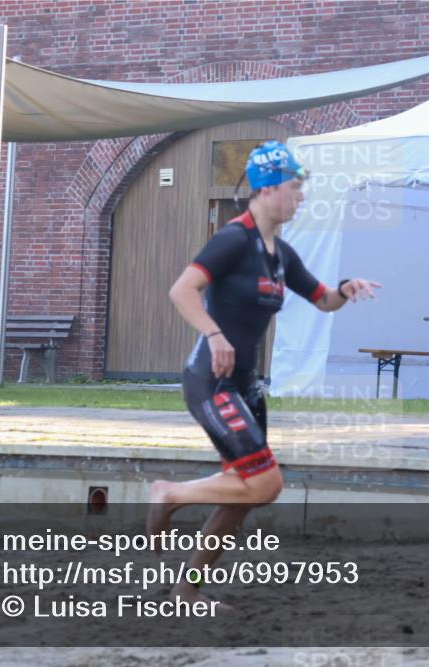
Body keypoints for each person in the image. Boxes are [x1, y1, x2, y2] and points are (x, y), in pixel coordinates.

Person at [148, 141, 381, 603]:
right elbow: (182, 290)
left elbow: (322, 300)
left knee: (246, 494)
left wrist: (345, 288)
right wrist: (215, 335)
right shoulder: (234, 239)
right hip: (212, 381)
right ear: (269, 188)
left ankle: (186, 589)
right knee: (267, 483)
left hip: (247, 389)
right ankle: (169, 493)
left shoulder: (280, 254)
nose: (301, 196)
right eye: (295, 187)